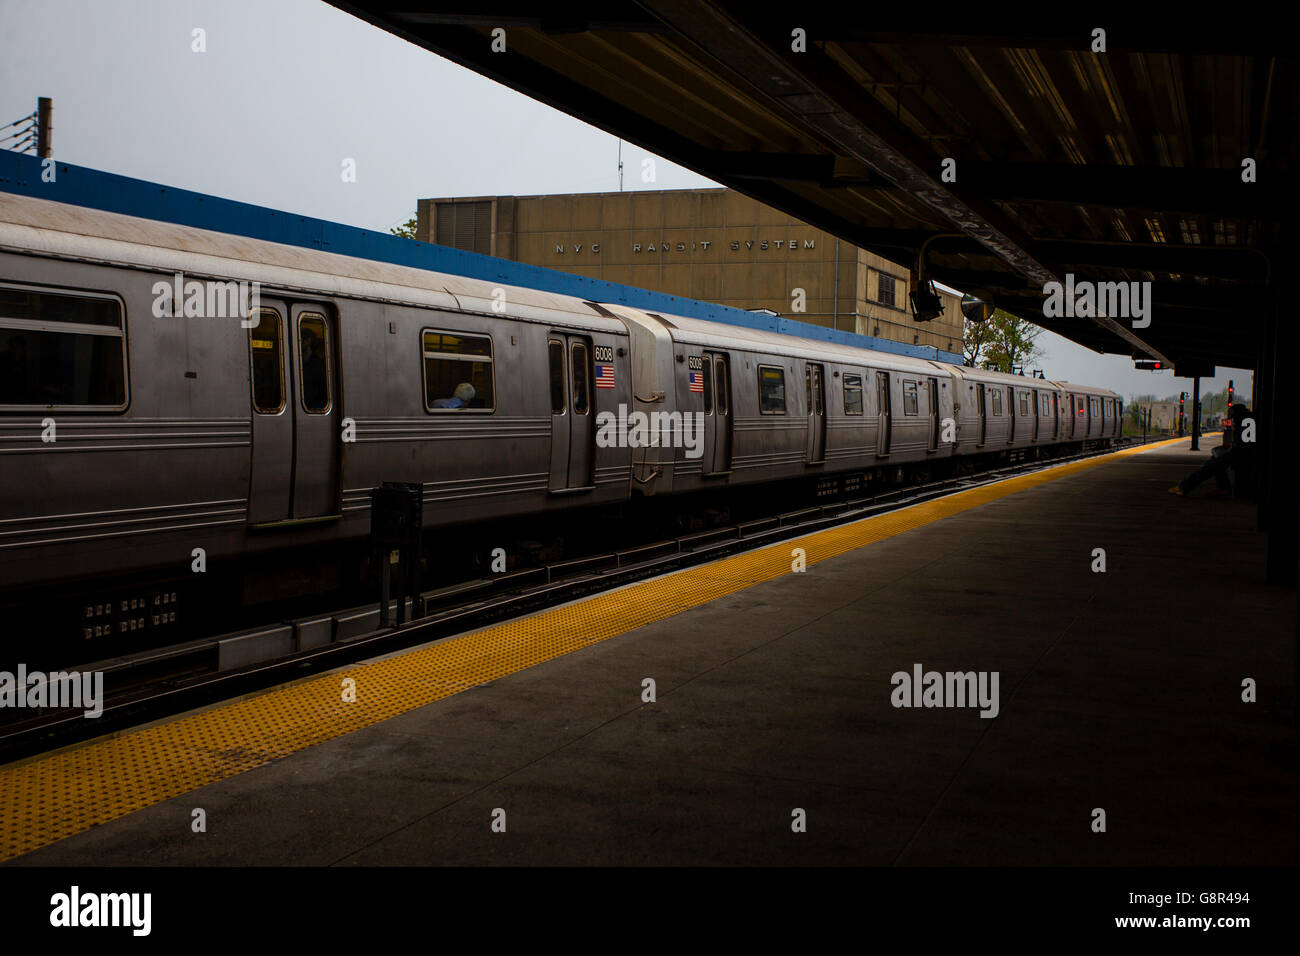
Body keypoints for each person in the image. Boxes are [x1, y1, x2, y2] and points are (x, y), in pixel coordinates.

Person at [1170, 404, 1253, 497]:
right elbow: (1244, 442)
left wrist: (1231, 448)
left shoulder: (1247, 421)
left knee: (1212, 464)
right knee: (1215, 460)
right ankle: (1222, 488)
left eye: (1233, 416)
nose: (1233, 420)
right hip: (1242, 452)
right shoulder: (1246, 420)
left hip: (1243, 454)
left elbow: (1246, 445)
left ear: (1237, 413)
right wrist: (1230, 446)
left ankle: (1185, 486)